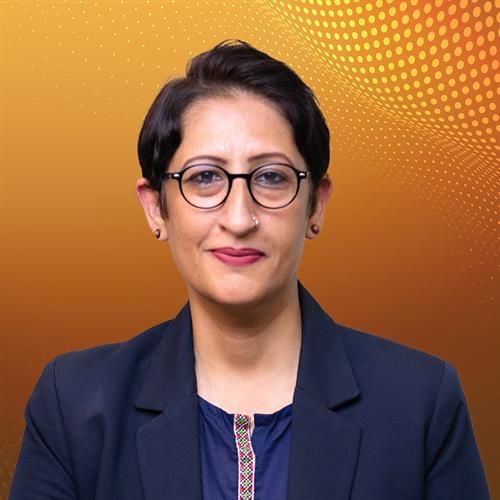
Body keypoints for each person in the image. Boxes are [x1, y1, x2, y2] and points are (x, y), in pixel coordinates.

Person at [9, 40, 489, 500]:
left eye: (271, 177)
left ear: (316, 205)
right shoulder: (74, 404)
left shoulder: (420, 403)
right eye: (204, 177)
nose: (239, 219)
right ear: (156, 208)